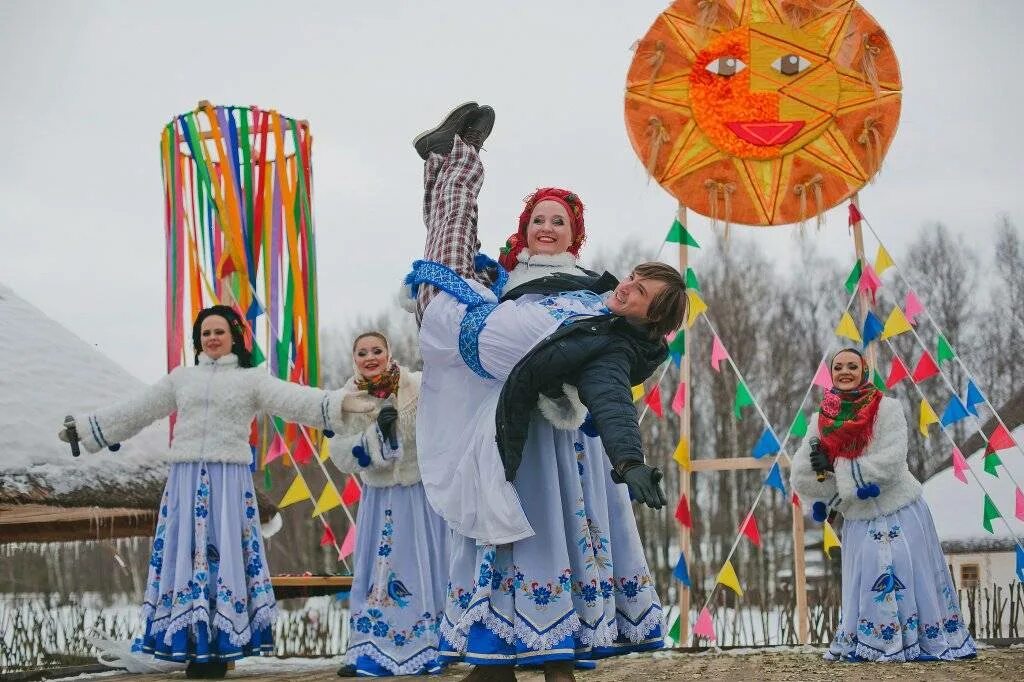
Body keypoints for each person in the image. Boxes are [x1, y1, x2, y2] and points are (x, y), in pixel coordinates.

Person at [406, 103, 686, 681]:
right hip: (498, 409)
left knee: (548, 531)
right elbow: (461, 268)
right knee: (444, 258)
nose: (548, 227)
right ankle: (448, 164)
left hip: (553, 444)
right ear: (526, 226)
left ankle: (554, 639)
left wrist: (628, 458)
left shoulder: (592, 298)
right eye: (539, 217)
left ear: (575, 235)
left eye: (559, 220)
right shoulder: (509, 278)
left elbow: (608, 390)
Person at [59, 305, 348, 679]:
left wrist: (338, 406)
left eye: (219, 331)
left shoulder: (251, 380)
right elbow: (137, 410)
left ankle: (218, 648)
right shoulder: (182, 379)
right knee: (187, 557)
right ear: (198, 339)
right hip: (185, 482)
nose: (211, 338)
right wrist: (88, 429)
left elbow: (294, 400)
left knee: (222, 555)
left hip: (228, 484)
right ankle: (193, 646)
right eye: (205, 332)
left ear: (235, 336)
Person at [790, 347, 977, 662]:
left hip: (901, 509)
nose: (845, 371)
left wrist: (836, 469)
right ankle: (872, 643)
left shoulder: (887, 408)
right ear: (831, 373)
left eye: (853, 366)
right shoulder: (820, 419)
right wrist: (827, 484)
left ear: (864, 372)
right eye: (839, 367)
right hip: (859, 518)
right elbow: (801, 474)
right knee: (868, 581)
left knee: (911, 573)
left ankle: (923, 642)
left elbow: (891, 461)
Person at [330, 331, 449, 677]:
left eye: (376, 350)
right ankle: (370, 648)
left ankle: (427, 645)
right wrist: (376, 438)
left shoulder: (418, 386)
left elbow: (442, 427)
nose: (370, 357)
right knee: (377, 572)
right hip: (379, 497)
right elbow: (340, 454)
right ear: (355, 359)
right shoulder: (348, 399)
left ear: (388, 353)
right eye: (362, 352)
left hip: (418, 495)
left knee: (419, 565)